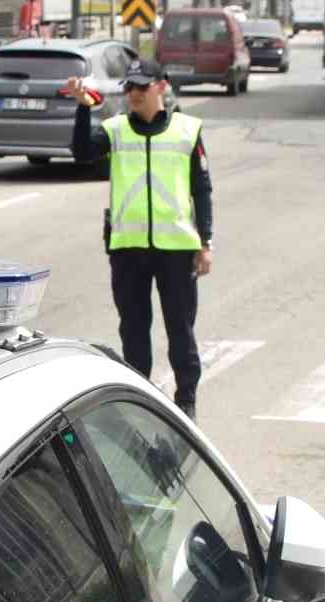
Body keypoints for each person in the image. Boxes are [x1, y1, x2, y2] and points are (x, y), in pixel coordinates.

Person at [69, 58, 213, 420]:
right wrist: (82, 109)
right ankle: (141, 402)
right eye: (129, 87)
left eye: (141, 86)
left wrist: (206, 242)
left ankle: (186, 401)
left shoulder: (187, 130)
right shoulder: (116, 129)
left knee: (180, 330)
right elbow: (82, 152)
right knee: (133, 332)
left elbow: (202, 189)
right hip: (128, 249)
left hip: (177, 249)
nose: (134, 93)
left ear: (161, 86)